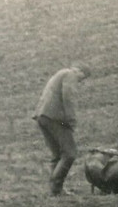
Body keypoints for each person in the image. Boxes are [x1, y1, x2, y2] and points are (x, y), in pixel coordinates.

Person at [33, 64, 91, 196]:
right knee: (70, 153)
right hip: (55, 118)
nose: (81, 81)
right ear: (80, 72)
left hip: (42, 116)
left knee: (57, 155)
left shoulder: (59, 74)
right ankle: (56, 188)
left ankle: (54, 190)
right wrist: (71, 120)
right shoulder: (70, 74)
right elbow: (68, 97)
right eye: (82, 78)